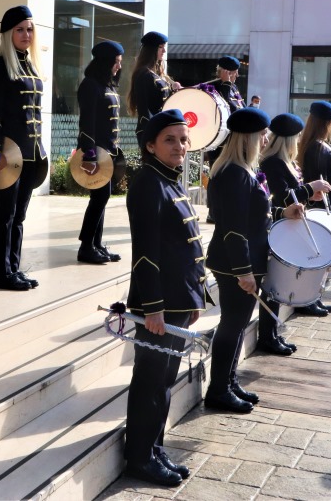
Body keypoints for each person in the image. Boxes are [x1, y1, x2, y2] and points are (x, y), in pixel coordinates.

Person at [123, 109, 207, 487]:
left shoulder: (170, 180)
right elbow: (145, 253)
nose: (179, 146)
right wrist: (153, 307)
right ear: (150, 146)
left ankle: (154, 449)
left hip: (178, 301)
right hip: (159, 306)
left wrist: (194, 299)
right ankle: (140, 458)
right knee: (150, 382)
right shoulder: (148, 183)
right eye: (170, 139)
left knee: (163, 383)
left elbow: (185, 249)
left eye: (183, 139)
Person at [206, 108, 305, 411]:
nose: (265, 139)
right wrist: (243, 271)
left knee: (237, 325)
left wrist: (282, 212)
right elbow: (234, 229)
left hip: (245, 260)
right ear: (247, 138)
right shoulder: (235, 174)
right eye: (261, 134)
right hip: (235, 263)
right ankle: (218, 389)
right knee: (232, 325)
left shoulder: (242, 170)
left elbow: (253, 216)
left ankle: (228, 381)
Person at [0, 5, 46, 291]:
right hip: (7, 153)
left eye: (29, 29)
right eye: (19, 29)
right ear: (8, 33)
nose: (26, 34)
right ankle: (1, 273)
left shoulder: (30, 64)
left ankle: (14, 268)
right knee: (4, 214)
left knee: (19, 215)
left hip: (31, 153)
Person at [260, 113, 331, 321]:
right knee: (274, 284)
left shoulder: (285, 161)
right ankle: (268, 333)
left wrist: (310, 195)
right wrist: (310, 187)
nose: (299, 140)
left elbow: (294, 194)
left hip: (289, 224)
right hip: (278, 225)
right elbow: (282, 197)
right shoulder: (273, 163)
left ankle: (277, 327)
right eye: (297, 136)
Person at [76, 40, 125, 264]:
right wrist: (89, 155)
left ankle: (96, 244)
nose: (119, 66)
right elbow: (87, 123)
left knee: (102, 198)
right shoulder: (90, 85)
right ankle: (86, 246)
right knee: (99, 197)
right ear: (105, 62)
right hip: (96, 152)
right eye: (116, 62)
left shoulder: (107, 85)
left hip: (108, 152)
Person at [204, 55, 244, 222]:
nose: (236, 76)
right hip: (219, 142)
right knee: (217, 176)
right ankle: (213, 211)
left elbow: (239, 108)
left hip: (234, 140)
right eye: (233, 72)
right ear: (224, 72)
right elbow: (224, 108)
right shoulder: (213, 87)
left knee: (231, 177)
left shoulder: (234, 88)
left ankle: (226, 208)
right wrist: (226, 84)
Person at [127, 31, 181, 142]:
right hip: (152, 132)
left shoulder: (155, 74)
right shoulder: (144, 74)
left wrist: (173, 89)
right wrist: (152, 135)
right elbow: (144, 109)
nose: (164, 50)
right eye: (161, 47)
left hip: (162, 129)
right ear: (151, 50)